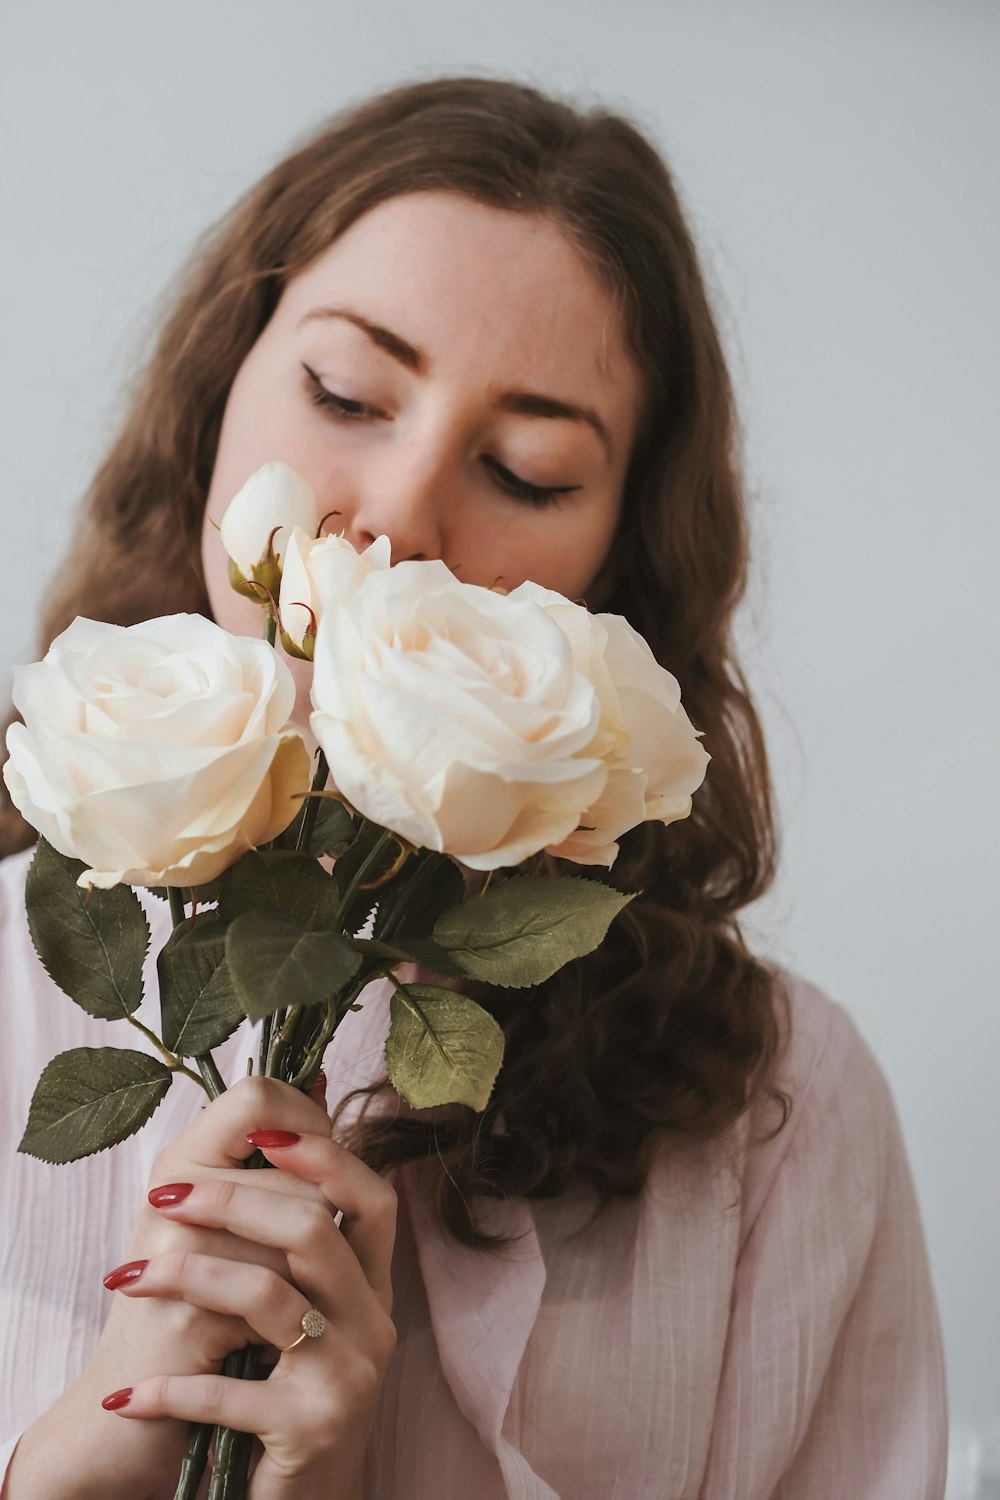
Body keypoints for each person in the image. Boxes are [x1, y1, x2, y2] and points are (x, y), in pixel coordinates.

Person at [0, 76, 947, 1499]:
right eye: (344, 394)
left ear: (620, 572)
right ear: (216, 401)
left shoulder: (784, 1120)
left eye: (525, 468)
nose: (396, 518)